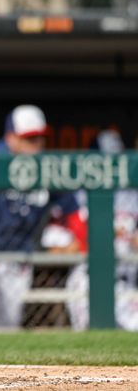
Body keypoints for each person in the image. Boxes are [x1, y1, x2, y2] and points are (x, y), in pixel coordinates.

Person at [0, 105, 86, 328]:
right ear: (11, 137)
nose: (36, 144)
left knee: (6, 326)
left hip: (16, 252)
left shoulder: (47, 166)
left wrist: (84, 244)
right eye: (29, 138)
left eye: (40, 138)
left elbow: (73, 212)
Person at [61, 129, 138, 331]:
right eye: (104, 160)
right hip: (88, 277)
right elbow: (61, 243)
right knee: (91, 334)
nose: (109, 167)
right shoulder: (78, 195)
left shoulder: (133, 193)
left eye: (115, 160)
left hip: (129, 281)